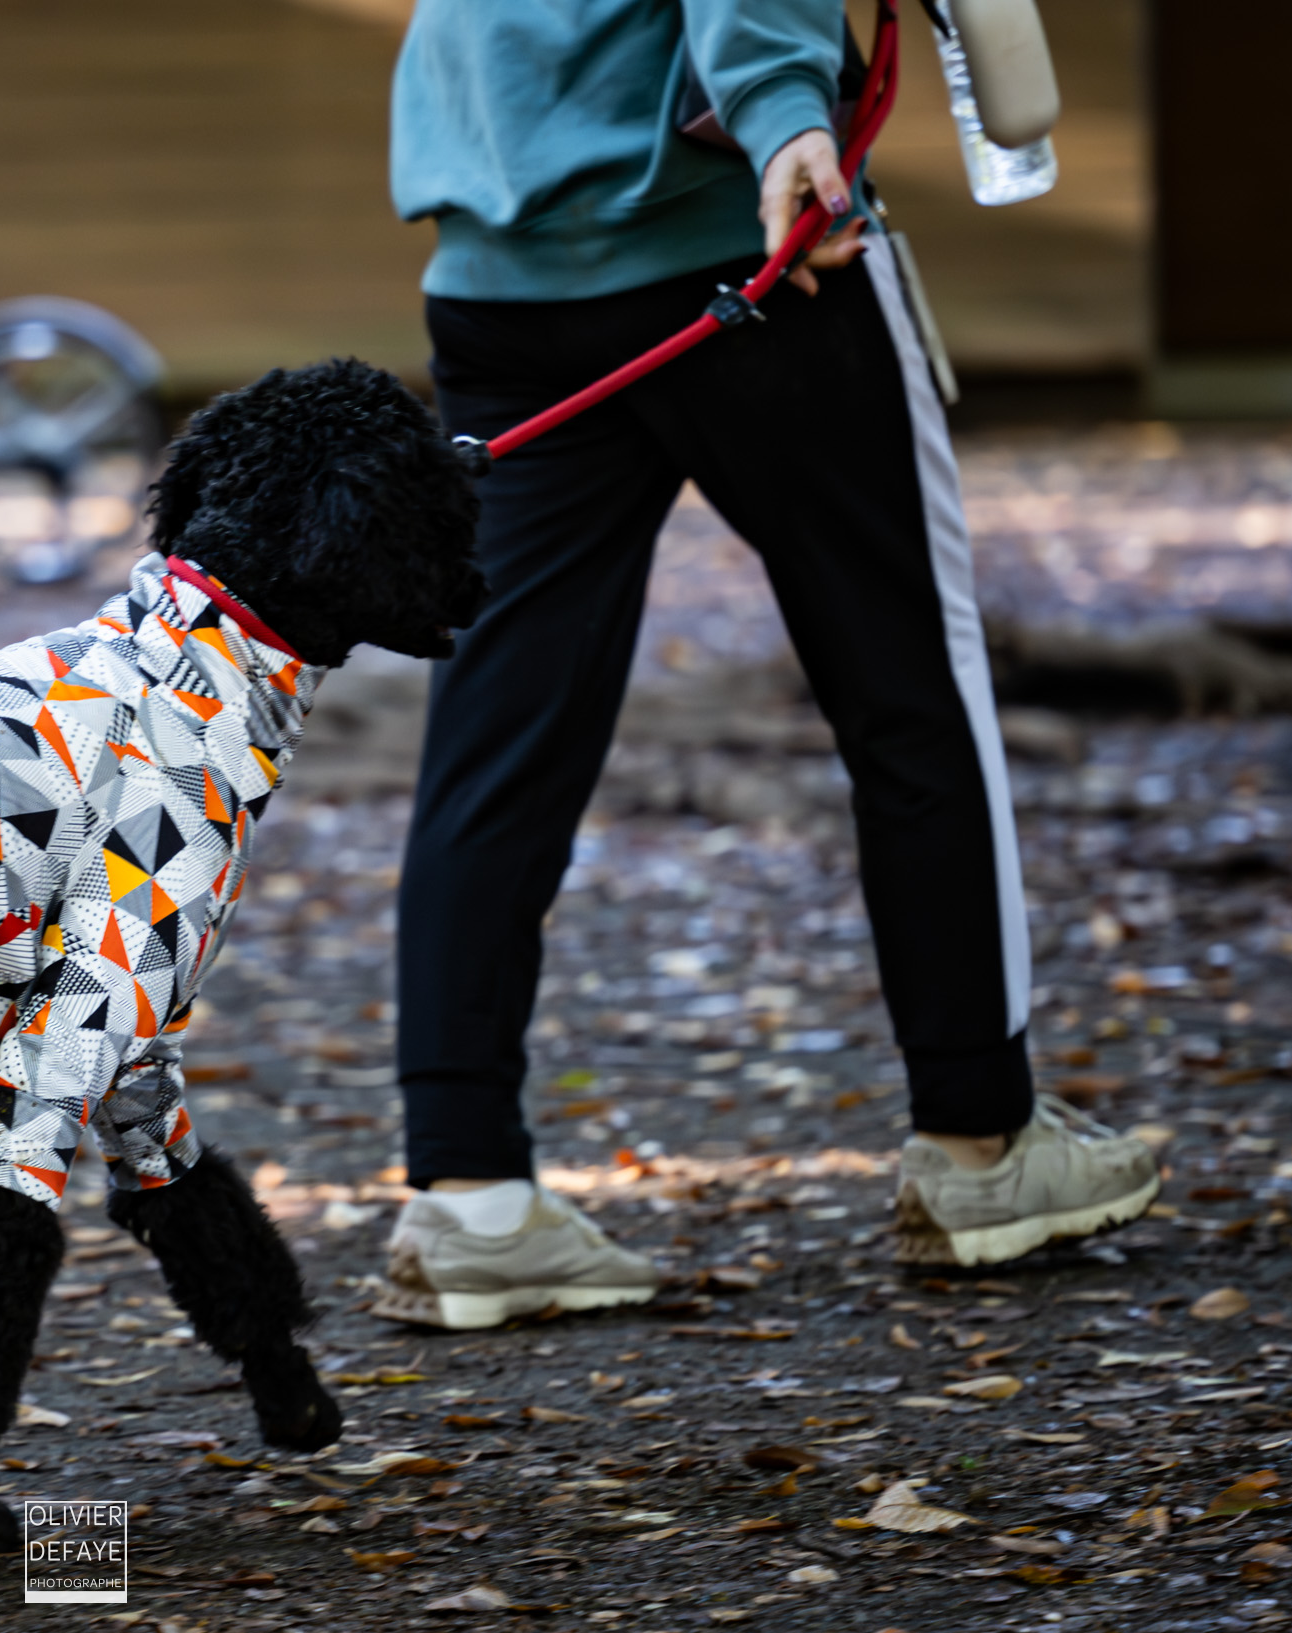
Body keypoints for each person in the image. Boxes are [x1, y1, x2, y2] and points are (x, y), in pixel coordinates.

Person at [376, 0, 1158, 1329]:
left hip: (500, 268)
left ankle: (470, 1197)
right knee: (911, 688)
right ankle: (978, 1143)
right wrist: (790, 117)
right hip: (744, 254)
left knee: (494, 737)